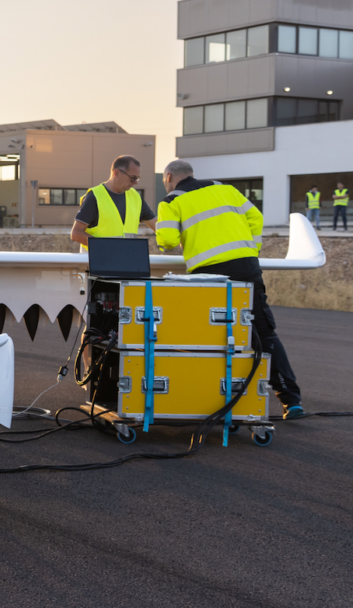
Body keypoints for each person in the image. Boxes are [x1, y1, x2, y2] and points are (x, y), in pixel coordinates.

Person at [156, 159, 303, 419]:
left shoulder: (170, 201)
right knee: (263, 332)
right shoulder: (226, 189)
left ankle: (208, 400)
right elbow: (256, 217)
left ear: (168, 177)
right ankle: (290, 401)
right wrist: (252, 249)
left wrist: (180, 240)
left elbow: (166, 240)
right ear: (192, 174)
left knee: (208, 335)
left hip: (208, 274)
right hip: (247, 267)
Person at [69, 155, 156, 248]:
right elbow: (76, 233)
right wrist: (108, 249)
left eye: (137, 178)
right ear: (117, 173)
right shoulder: (95, 196)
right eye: (133, 178)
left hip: (126, 260)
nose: (136, 182)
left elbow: (156, 225)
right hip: (98, 261)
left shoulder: (136, 197)